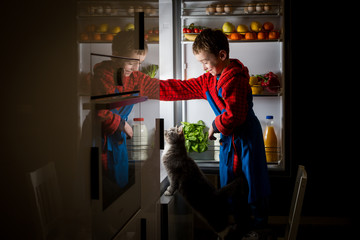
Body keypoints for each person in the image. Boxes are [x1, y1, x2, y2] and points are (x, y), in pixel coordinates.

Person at [159, 28, 271, 233]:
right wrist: (148, 88)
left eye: (205, 62)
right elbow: (181, 88)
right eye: (200, 63)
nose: (203, 68)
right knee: (231, 185)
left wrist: (214, 125)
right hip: (229, 142)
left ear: (222, 55)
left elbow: (235, 115)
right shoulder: (210, 78)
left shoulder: (235, 77)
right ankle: (240, 227)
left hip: (246, 140)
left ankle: (260, 228)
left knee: (254, 184)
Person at [92, 31, 158, 187]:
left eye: (139, 63)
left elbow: (159, 87)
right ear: (115, 55)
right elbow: (101, 111)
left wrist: (198, 87)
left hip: (117, 140)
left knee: (119, 189)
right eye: (131, 62)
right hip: (100, 140)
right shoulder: (103, 76)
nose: (136, 68)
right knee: (104, 187)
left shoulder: (134, 77)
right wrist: (123, 125)